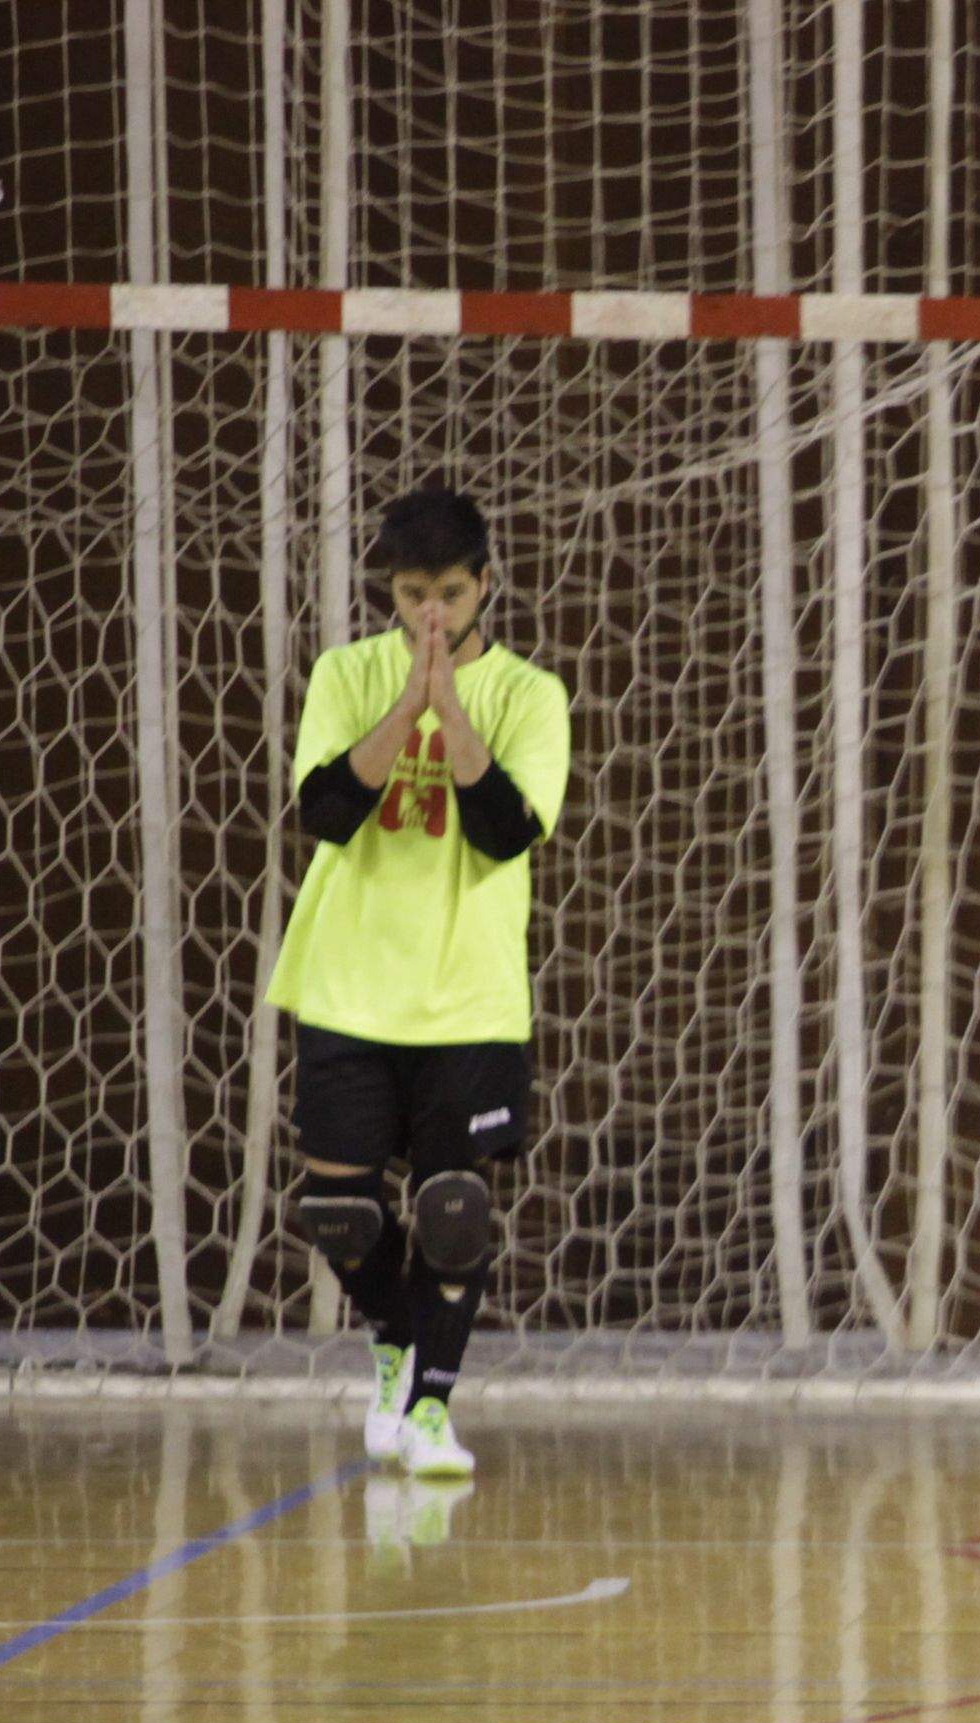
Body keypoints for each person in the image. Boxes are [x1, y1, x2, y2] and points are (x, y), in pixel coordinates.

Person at [270, 483, 572, 1483]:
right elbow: (323, 811)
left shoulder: (532, 696)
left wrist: (453, 708)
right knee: (342, 1213)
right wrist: (410, 701)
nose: (431, 615)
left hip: (466, 996)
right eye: (412, 595)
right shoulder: (346, 676)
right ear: (389, 594)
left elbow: (506, 829)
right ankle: (395, 1342)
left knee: (451, 1210)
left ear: (485, 584)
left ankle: (431, 1410)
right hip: (349, 983)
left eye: (448, 592)